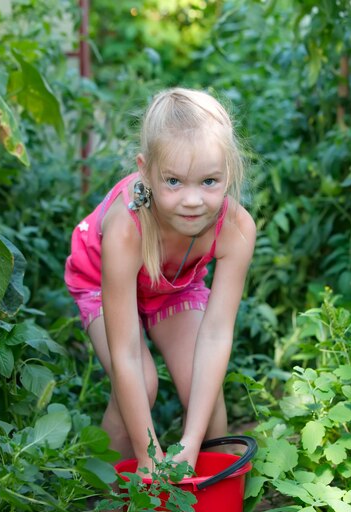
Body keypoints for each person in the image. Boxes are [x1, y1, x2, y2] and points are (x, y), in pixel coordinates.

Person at [65, 87, 256, 486]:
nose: (192, 200)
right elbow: (125, 356)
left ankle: (214, 486)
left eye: (209, 181)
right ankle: (110, 504)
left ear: (229, 172)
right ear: (146, 170)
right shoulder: (127, 229)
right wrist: (147, 453)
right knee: (138, 384)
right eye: (173, 181)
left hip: (174, 285)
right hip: (102, 282)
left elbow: (217, 334)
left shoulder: (236, 229)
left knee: (201, 380)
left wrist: (189, 440)